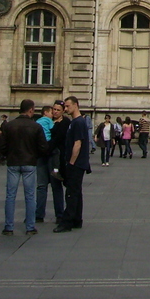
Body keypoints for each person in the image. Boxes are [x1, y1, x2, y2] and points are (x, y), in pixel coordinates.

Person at [0, 99, 47, 236]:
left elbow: (0, 146)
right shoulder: (36, 127)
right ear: (31, 110)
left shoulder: (9, 126)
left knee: (10, 195)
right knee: (30, 196)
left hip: (13, 162)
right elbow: (43, 147)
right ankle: (30, 227)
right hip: (29, 162)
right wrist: (34, 154)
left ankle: (9, 227)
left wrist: (9, 154)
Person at [55, 96, 90, 233]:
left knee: (71, 193)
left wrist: (71, 162)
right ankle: (77, 219)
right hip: (78, 163)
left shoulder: (78, 122)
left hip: (76, 164)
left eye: (68, 106)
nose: (66, 109)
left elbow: (77, 143)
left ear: (76, 105)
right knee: (76, 191)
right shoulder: (74, 122)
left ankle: (67, 222)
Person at [47, 100, 69, 225]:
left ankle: (60, 214)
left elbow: (58, 139)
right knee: (42, 185)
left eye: (58, 110)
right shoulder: (48, 121)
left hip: (58, 156)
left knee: (57, 186)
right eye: (54, 109)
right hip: (47, 155)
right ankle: (39, 212)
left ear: (63, 111)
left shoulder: (64, 122)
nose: (55, 112)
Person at [34, 106, 54, 222]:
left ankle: (39, 213)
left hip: (39, 152)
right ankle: (59, 214)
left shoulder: (37, 122)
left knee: (41, 186)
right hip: (48, 151)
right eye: (52, 112)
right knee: (55, 186)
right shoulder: (49, 121)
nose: (53, 114)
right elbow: (52, 130)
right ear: (46, 113)